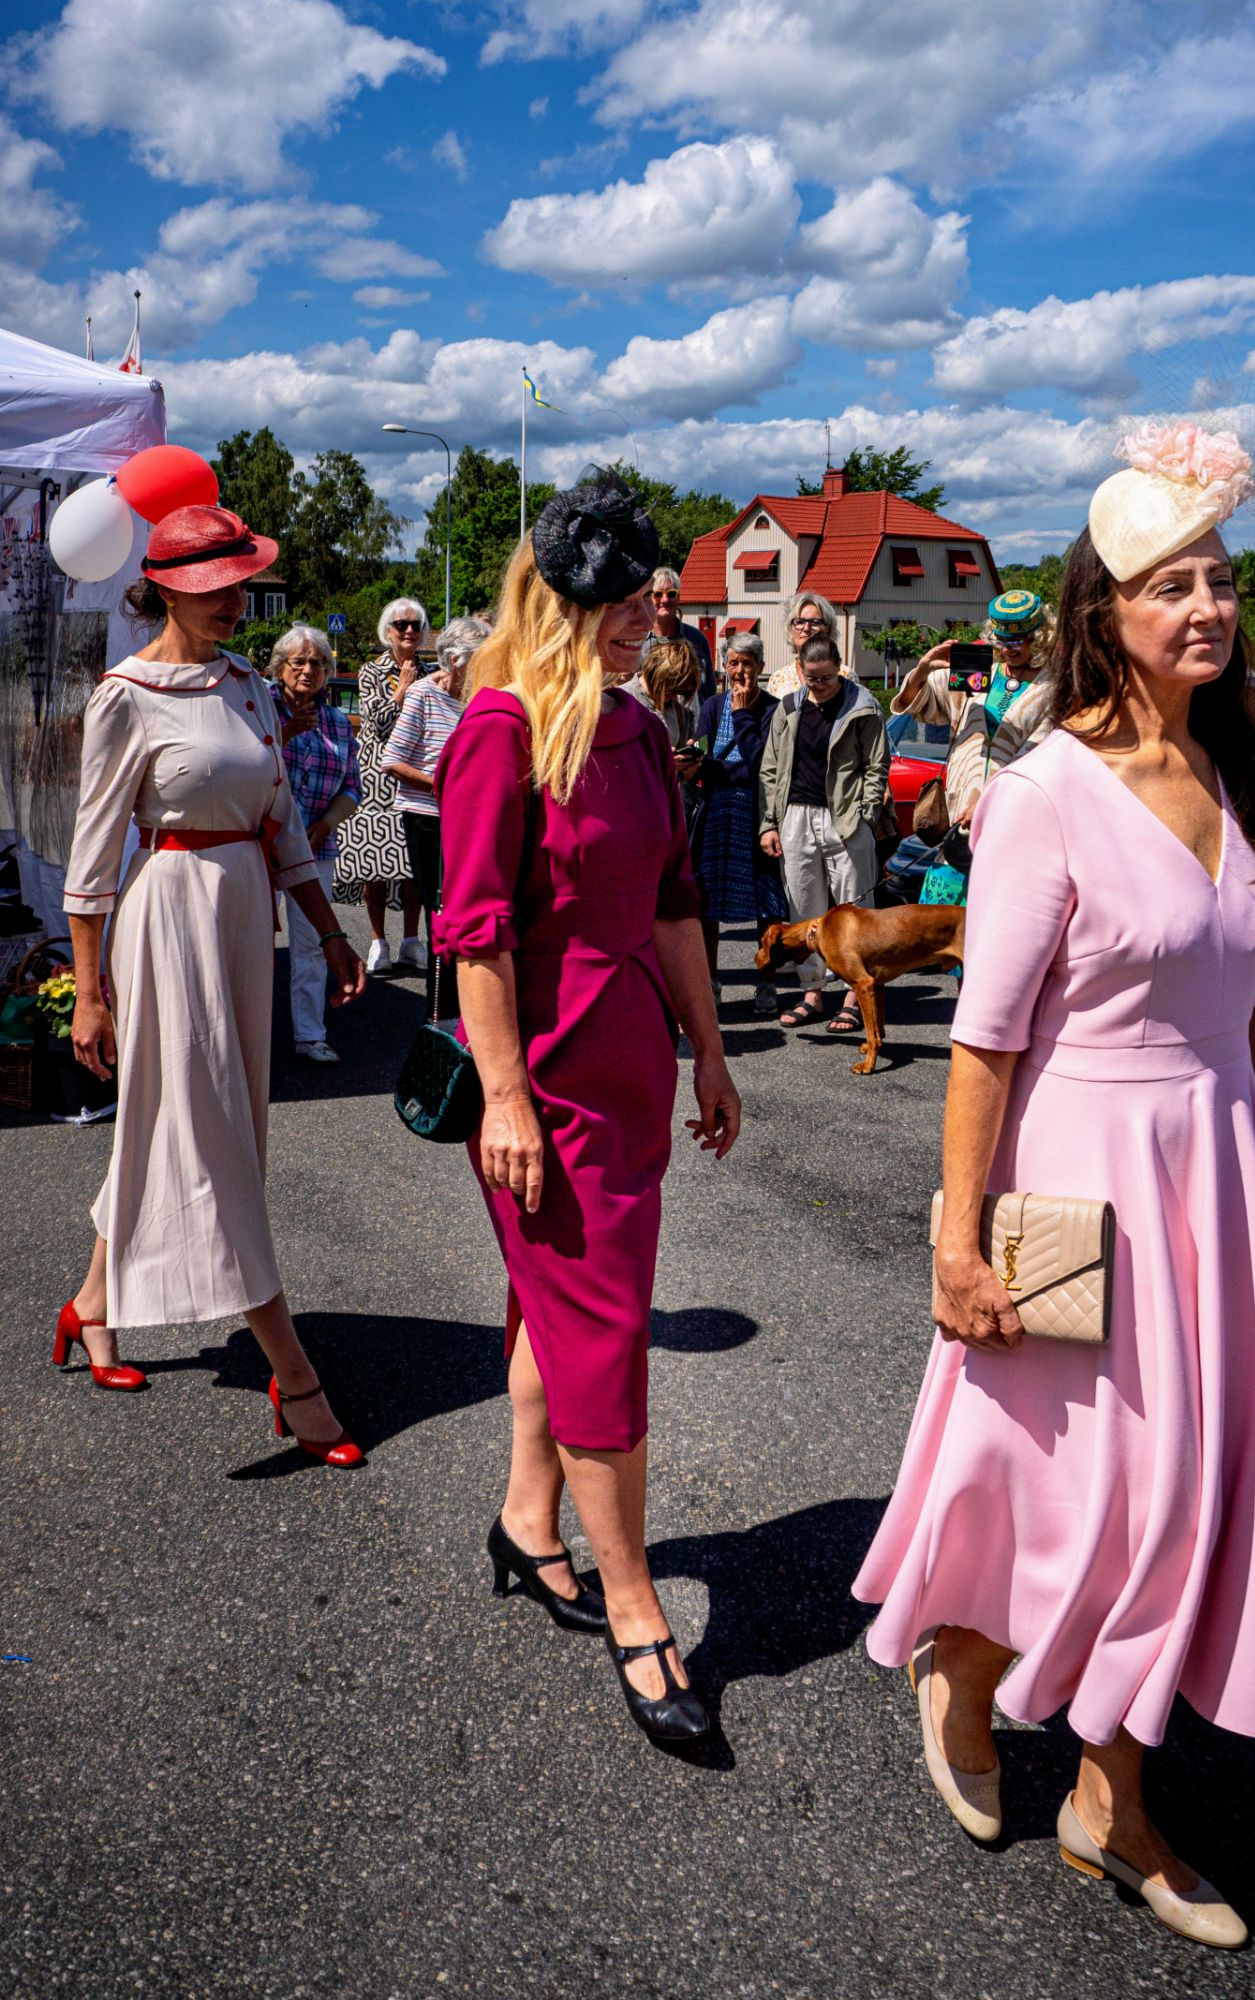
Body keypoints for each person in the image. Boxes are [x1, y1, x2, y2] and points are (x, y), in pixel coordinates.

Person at [854, 423, 1255, 1952]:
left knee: (1188, 1500)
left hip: (1224, 1182)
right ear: (1104, 610)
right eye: (1168, 585)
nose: (1204, 606)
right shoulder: (1046, 790)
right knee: (1083, 1490)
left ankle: (1105, 1800)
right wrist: (953, 1242)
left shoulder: (1243, 774)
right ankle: (965, 1668)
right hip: (1080, 1179)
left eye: (1219, 581)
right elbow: (983, 1038)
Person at [435, 470, 741, 1745]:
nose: (645, 620)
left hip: (632, 1074)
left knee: (556, 1312)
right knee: (603, 1335)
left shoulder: (635, 730)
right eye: (621, 604)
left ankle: (526, 1518)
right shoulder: (498, 727)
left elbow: (672, 901)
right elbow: (474, 931)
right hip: (546, 1085)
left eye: (649, 601)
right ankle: (634, 1604)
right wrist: (504, 1096)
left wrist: (710, 1050)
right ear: (559, 603)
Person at [57, 505, 366, 1466]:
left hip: (242, 919)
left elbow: (284, 826)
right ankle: (295, 1376)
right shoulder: (125, 695)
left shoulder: (249, 687)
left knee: (189, 1121)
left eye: (240, 583)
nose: (233, 601)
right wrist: (91, 991)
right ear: (165, 590)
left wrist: (329, 930)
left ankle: (91, 1305)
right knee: (211, 1137)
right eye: (213, 587)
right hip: (167, 917)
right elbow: (91, 860)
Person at [891, 589, 1056, 909]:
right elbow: (917, 705)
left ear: (1039, 637)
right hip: (957, 826)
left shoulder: (1055, 685)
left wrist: (987, 800)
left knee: (994, 917)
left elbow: (1038, 758)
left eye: (1016, 641)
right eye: (1001, 640)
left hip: (1012, 824)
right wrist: (924, 668)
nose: (1007, 650)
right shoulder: (978, 671)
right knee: (941, 920)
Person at [758, 634, 890, 1034]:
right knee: (804, 912)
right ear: (800, 670)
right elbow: (770, 768)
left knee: (854, 913)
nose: (818, 685)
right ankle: (812, 993)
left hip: (845, 818)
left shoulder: (863, 706)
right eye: (812, 678)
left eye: (826, 678)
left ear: (839, 668)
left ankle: (854, 996)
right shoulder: (788, 707)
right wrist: (770, 822)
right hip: (795, 817)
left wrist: (866, 815)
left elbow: (877, 765)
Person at [382, 614, 488, 1019]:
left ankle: (469, 1012)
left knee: (471, 915)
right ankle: (440, 1014)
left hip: (470, 819)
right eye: (479, 660)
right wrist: (445, 785)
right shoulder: (423, 694)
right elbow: (393, 760)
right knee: (441, 914)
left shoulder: (481, 697)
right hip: (428, 819)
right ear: (455, 660)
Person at [270, 626, 360, 1065]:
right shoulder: (258, 707)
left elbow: (352, 787)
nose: (308, 670)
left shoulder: (338, 722)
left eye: (318, 663)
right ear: (280, 667)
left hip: (314, 847)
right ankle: (244, 1033)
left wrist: (325, 826)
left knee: (311, 942)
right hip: (258, 843)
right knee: (249, 941)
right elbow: (242, 765)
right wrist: (285, 734)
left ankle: (310, 1035)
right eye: (299, 662)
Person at [691, 631, 786, 1014]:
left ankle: (767, 981)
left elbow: (762, 762)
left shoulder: (772, 709)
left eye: (747, 663)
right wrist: (717, 768)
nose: (740, 670)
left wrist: (744, 714)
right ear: (724, 667)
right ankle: (710, 981)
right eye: (733, 663)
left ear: (760, 667)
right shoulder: (712, 706)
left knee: (767, 901)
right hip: (716, 815)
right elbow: (700, 758)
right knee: (708, 900)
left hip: (757, 817)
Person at [333, 598, 429, 975]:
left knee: (412, 864)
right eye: (401, 624)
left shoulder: (431, 672)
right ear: (388, 631)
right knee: (374, 861)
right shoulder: (372, 671)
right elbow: (377, 723)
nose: (409, 630)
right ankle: (378, 941)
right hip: (377, 779)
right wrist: (402, 689)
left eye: (416, 624)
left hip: (416, 775)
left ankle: (411, 940)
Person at [639, 565, 715, 701]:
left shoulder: (697, 640)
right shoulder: (637, 640)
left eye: (671, 594)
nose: (665, 600)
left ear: (678, 597)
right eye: (658, 594)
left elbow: (709, 690)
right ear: (649, 598)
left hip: (692, 714)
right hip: (647, 712)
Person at [765, 591, 856, 699]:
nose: (807, 628)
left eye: (815, 622)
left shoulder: (845, 675)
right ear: (790, 629)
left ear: (828, 628)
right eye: (799, 622)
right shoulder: (778, 679)